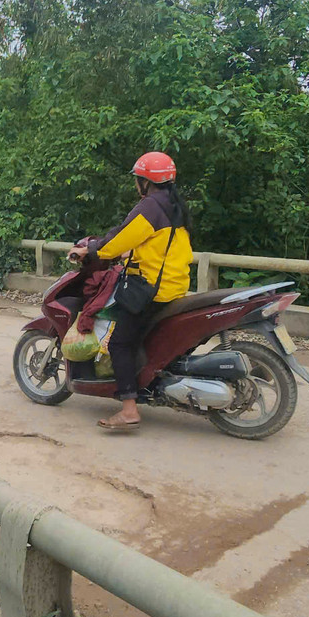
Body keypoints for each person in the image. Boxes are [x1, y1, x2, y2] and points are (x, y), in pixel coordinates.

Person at [68, 152, 193, 431]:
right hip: (174, 284)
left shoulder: (150, 207)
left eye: (138, 180)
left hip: (150, 290)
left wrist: (88, 251)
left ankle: (128, 409)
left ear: (145, 181)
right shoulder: (173, 205)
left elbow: (120, 237)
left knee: (119, 343)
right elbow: (146, 241)